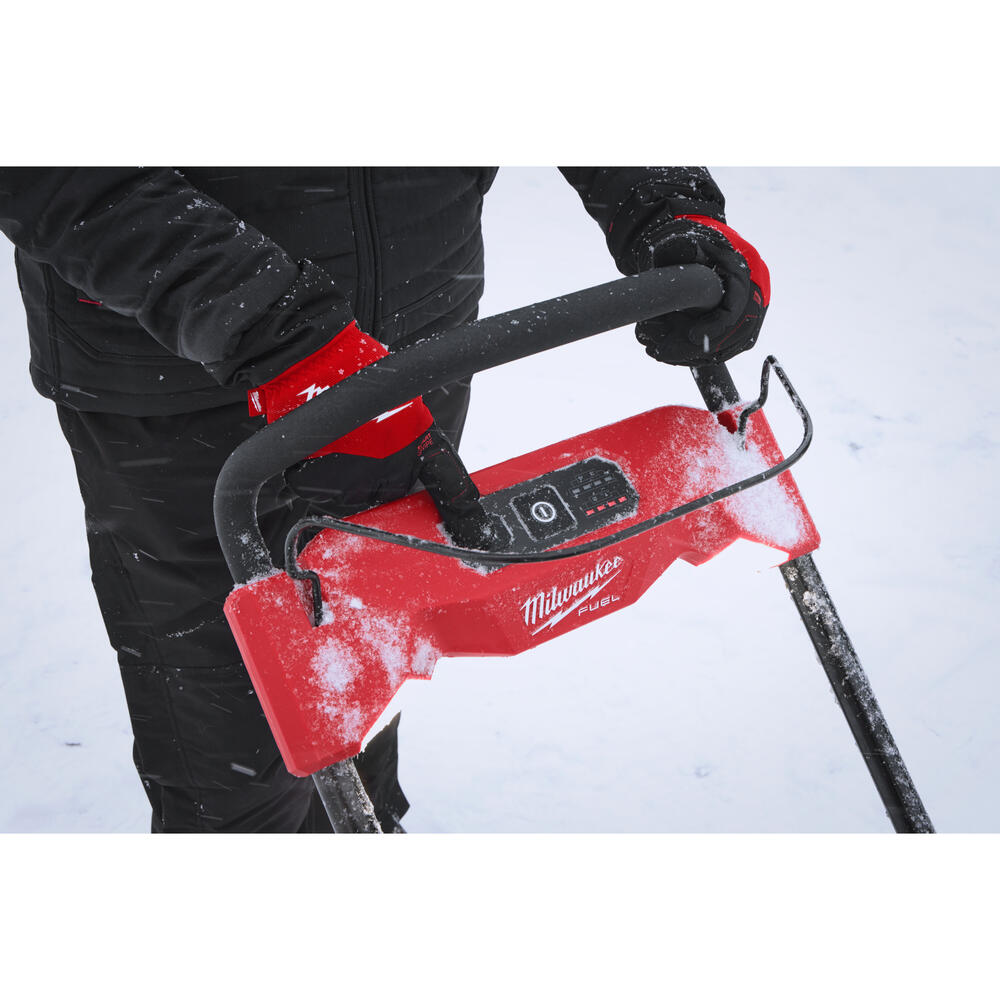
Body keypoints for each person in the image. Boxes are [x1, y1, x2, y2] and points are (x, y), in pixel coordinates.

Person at [0, 167, 769, 833]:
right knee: (234, 748)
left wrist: (661, 200)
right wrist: (273, 329)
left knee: (374, 661)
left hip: (413, 335)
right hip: (187, 377)